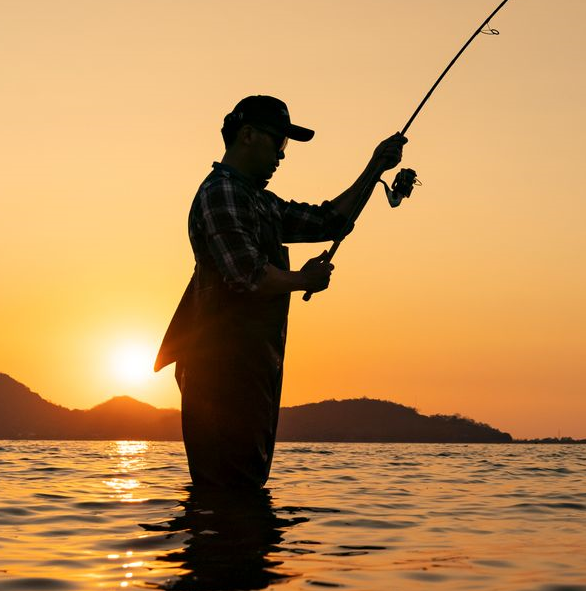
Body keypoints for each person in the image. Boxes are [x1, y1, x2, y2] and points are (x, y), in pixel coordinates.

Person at [155, 94, 405, 491]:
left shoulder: (261, 202)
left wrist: (375, 167)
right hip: (219, 375)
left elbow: (329, 221)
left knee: (242, 493)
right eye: (279, 142)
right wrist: (304, 281)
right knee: (227, 492)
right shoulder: (220, 192)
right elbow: (247, 275)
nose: (282, 156)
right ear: (248, 135)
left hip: (255, 371)